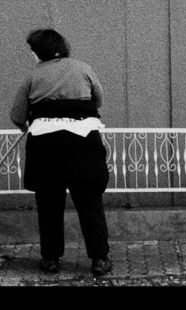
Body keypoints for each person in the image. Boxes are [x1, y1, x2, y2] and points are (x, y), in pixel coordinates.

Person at [10, 28, 112, 277]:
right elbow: (97, 101)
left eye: (32, 51)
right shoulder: (84, 68)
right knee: (90, 203)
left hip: (46, 147)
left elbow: (17, 116)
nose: (31, 55)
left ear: (39, 51)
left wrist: (28, 126)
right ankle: (99, 259)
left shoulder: (32, 77)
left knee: (49, 204)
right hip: (84, 145)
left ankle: (51, 259)